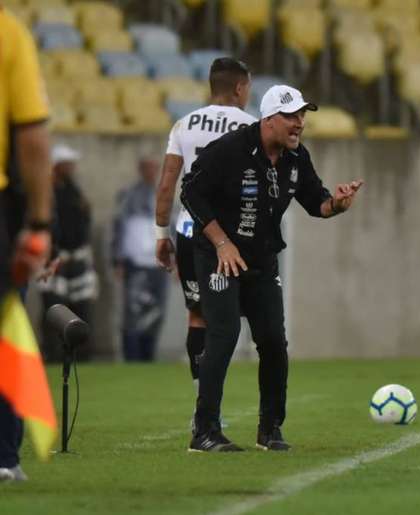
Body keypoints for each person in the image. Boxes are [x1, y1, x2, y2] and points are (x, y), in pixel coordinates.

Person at [181, 85, 363, 452]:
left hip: (262, 259)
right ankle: (204, 431)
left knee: (274, 343)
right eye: (292, 116)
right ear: (268, 120)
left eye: (303, 116)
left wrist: (337, 204)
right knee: (225, 332)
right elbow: (191, 193)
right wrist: (222, 242)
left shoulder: (297, 158)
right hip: (219, 255)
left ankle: (270, 429)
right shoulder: (230, 150)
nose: (300, 124)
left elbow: (317, 203)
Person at [155, 57, 257, 401]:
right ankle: (214, 408)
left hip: (189, 230)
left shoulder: (184, 124)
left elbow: (168, 183)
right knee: (229, 318)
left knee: (198, 315)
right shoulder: (250, 125)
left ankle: (204, 404)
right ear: (240, 88)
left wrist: (160, 236)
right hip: (233, 236)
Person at [0, 6, 54, 481]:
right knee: (6, 333)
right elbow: (33, 139)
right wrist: (38, 222)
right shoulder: (8, 33)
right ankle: (3, 456)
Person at [38, 144, 98, 362]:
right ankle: (53, 354)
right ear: (57, 165)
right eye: (68, 163)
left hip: (78, 255)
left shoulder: (73, 188)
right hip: (56, 255)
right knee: (54, 305)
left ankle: (81, 354)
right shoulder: (48, 190)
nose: (72, 167)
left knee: (81, 305)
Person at [112, 157, 169, 362]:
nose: (151, 172)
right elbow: (119, 229)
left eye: (154, 168)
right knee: (133, 312)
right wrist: (117, 260)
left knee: (156, 311)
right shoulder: (128, 197)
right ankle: (132, 357)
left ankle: (148, 356)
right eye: (147, 168)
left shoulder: (164, 196)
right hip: (135, 265)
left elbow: (175, 230)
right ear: (140, 170)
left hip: (159, 265)